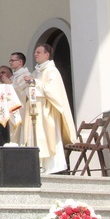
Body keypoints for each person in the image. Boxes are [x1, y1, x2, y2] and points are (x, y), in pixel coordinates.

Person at [23, 44, 77, 174]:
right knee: (35, 136)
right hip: (36, 108)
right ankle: (37, 165)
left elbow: (52, 90)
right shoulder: (36, 71)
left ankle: (53, 166)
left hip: (47, 109)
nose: (35, 54)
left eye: (38, 52)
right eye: (35, 52)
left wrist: (35, 82)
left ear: (47, 55)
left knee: (48, 137)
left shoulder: (52, 71)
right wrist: (30, 84)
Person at [5, 52, 31, 144]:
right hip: (13, 109)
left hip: (21, 109)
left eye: (13, 60)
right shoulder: (15, 75)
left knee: (19, 132)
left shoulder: (25, 75)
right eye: (10, 60)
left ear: (20, 62)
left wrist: (9, 84)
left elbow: (20, 91)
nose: (10, 62)